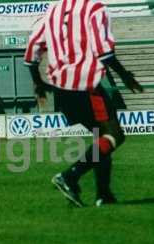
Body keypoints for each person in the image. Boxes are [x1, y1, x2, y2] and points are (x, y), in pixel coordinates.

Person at [24, 0, 143, 207]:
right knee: (114, 135)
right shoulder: (95, 8)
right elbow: (104, 51)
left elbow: (32, 50)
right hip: (85, 85)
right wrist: (125, 76)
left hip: (61, 89)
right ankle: (70, 176)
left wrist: (38, 84)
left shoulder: (53, 9)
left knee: (101, 138)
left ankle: (103, 195)